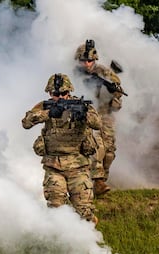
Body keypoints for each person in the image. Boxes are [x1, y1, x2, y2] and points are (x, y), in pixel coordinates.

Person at [21, 73, 101, 224]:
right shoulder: (45, 105)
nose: (61, 97)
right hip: (54, 166)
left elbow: (97, 124)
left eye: (64, 93)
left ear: (69, 92)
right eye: (56, 94)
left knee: (85, 212)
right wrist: (49, 113)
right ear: (50, 93)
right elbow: (26, 122)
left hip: (79, 166)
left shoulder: (81, 105)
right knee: (56, 210)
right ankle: (63, 243)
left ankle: (88, 243)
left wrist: (83, 116)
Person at [74, 39, 125, 196]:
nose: (87, 64)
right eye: (84, 61)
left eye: (90, 60)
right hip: (88, 114)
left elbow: (118, 92)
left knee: (109, 152)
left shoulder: (105, 72)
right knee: (98, 147)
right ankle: (98, 181)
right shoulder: (74, 74)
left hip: (105, 114)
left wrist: (111, 88)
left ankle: (101, 180)